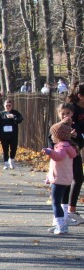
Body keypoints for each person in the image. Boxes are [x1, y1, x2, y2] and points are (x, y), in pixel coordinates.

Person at [42, 122, 77, 235]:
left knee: (56, 203)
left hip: (59, 180)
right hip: (65, 179)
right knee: (61, 202)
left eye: (53, 135)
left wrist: (49, 151)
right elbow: (56, 166)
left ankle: (60, 226)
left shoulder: (61, 147)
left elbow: (58, 157)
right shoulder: (69, 147)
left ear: (58, 136)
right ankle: (62, 224)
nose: (51, 137)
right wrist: (49, 177)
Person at [63, 84, 84, 225]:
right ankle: (66, 212)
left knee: (78, 178)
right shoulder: (72, 109)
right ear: (80, 96)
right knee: (72, 178)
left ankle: (70, 210)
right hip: (69, 147)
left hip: (77, 147)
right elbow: (65, 126)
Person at [0, 99, 23, 169]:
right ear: (4, 106)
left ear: (11, 106)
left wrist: (13, 117)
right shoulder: (1, 114)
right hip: (3, 135)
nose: (8, 107)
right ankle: (5, 163)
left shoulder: (15, 113)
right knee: (5, 149)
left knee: (13, 148)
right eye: (6, 105)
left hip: (13, 135)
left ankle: (11, 159)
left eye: (9, 105)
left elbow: (20, 119)